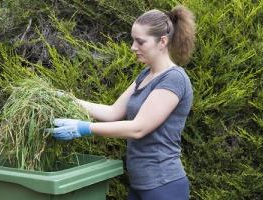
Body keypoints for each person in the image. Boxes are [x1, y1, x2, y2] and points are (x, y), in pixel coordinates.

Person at [50, 5, 195, 200]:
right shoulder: (146, 74)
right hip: (139, 184)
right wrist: (68, 100)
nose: (133, 47)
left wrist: (83, 128)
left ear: (162, 41)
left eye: (140, 42)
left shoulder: (174, 79)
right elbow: (113, 112)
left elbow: (138, 128)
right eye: (133, 40)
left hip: (164, 185)